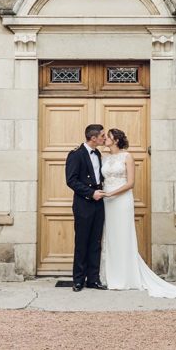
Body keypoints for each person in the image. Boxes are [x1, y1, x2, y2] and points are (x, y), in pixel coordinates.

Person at [101, 128, 176, 299]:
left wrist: (111, 193)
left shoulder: (127, 157)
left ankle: (126, 277)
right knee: (110, 236)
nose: (104, 139)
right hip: (106, 202)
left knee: (123, 235)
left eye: (107, 137)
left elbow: (130, 183)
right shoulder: (104, 157)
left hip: (121, 200)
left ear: (115, 140)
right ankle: (110, 276)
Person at [65, 123, 107, 292]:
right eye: (102, 136)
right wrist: (91, 193)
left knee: (96, 242)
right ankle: (78, 280)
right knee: (82, 242)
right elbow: (71, 180)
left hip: (99, 204)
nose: (105, 138)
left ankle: (93, 279)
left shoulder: (97, 153)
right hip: (84, 203)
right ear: (93, 137)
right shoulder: (76, 154)